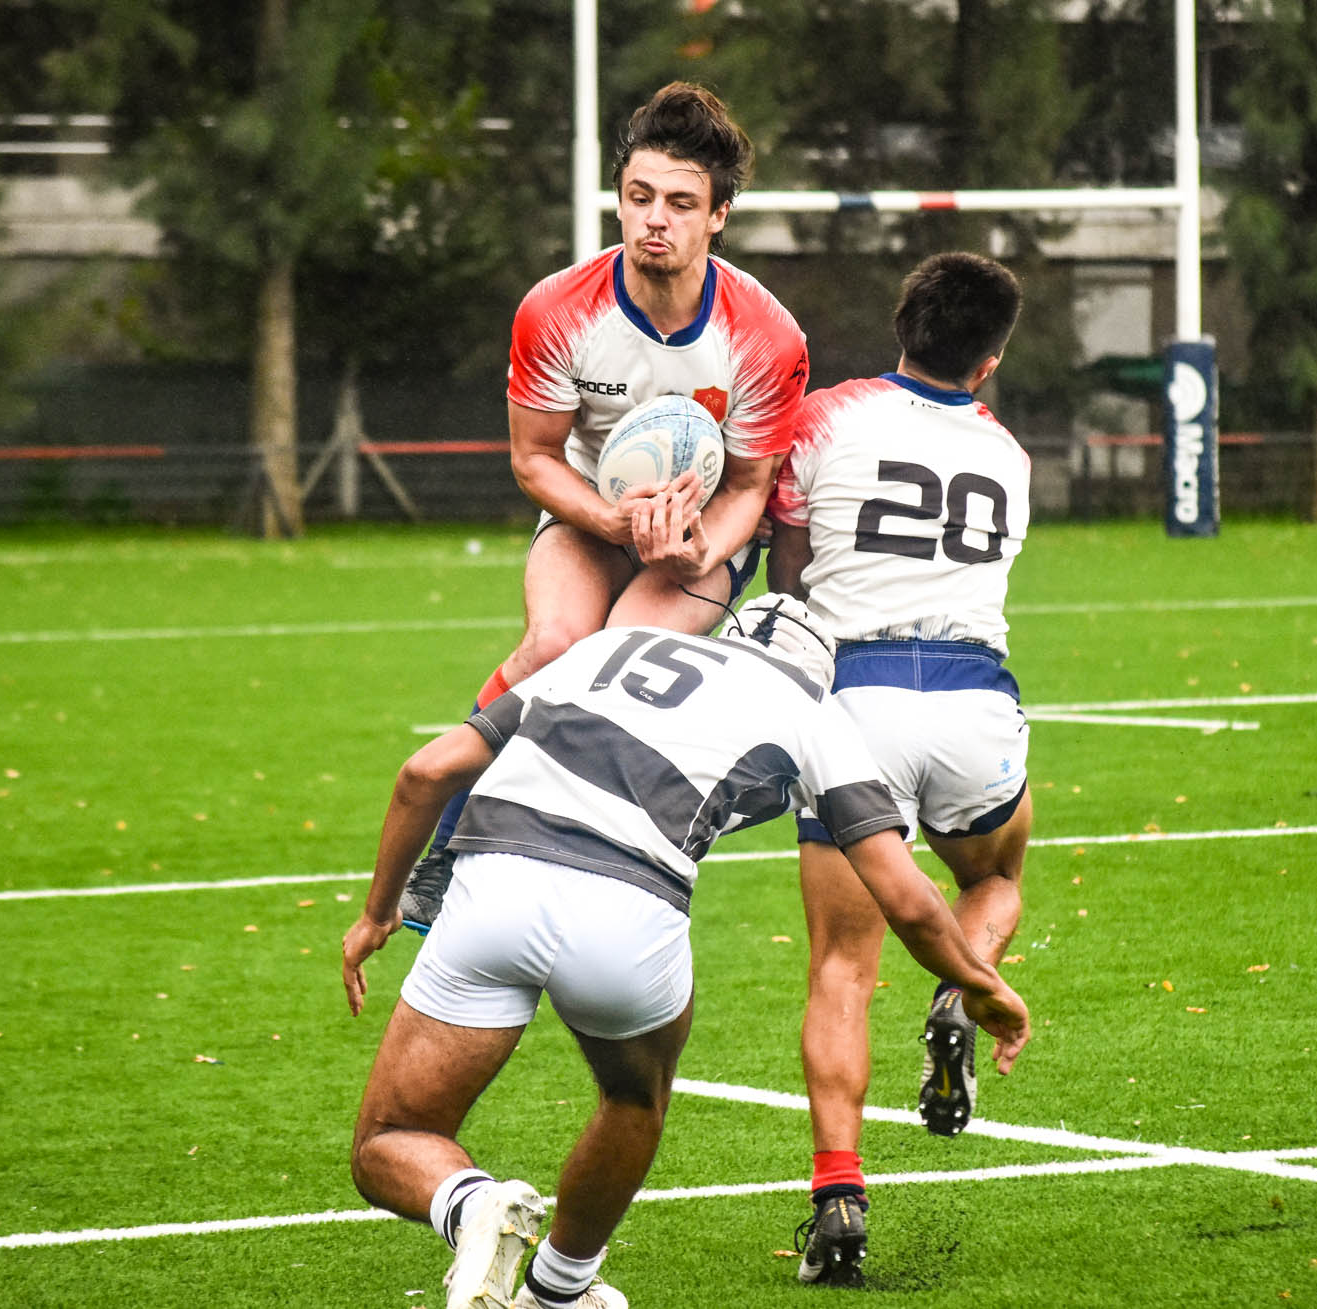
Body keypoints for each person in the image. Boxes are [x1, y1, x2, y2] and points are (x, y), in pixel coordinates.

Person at [341, 595, 1028, 1309]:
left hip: (495, 886)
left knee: (392, 1137)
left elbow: (424, 773)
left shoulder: (607, 646)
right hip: (631, 915)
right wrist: (976, 983)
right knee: (634, 1097)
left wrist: (376, 912)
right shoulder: (808, 702)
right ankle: (560, 1289)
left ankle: (474, 1206)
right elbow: (910, 898)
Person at [398, 81, 811, 934]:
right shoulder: (558, 310)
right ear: (621, 198)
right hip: (590, 514)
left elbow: (748, 488)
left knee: (616, 664)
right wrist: (617, 523)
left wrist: (700, 552)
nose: (654, 218)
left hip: (703, 536)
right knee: (555, 646)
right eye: (639, 197)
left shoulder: (767, 337)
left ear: (719, 216)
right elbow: (535, 460)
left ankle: (584, 868)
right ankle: (450, 844)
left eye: (681, 203)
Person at [763, 252, 1035, 1287]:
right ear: (989, 361)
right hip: (971, 698)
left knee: (843, 963)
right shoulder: (1004, 456)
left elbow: (789, 562)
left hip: (855, 700)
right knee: (996, 878)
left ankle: (838, 1198)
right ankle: (961, 994)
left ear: (902, 322)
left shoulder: (828, 416)